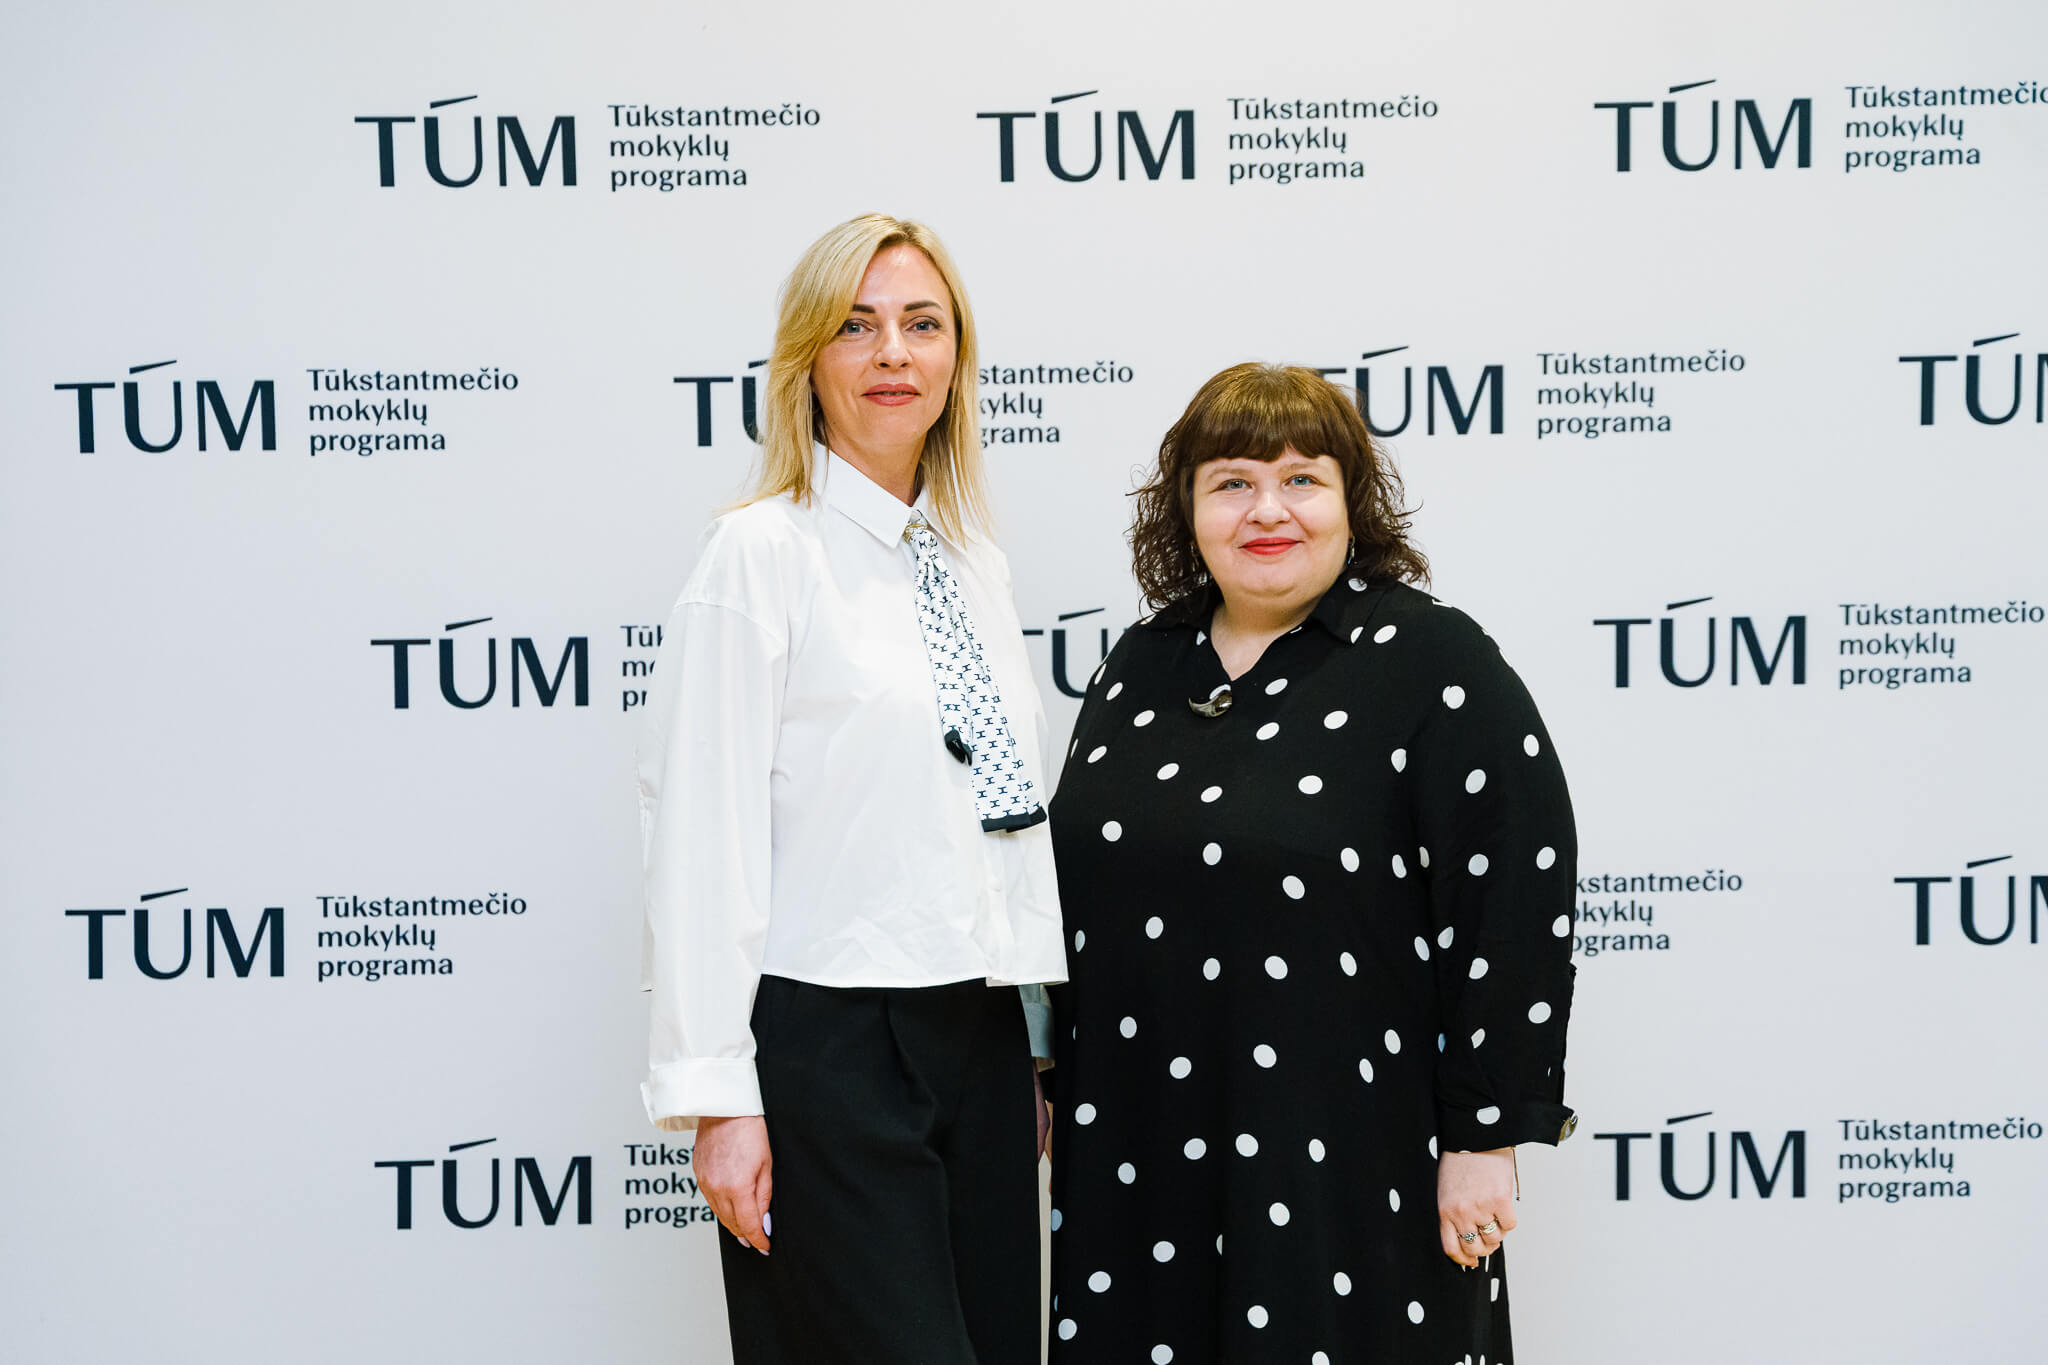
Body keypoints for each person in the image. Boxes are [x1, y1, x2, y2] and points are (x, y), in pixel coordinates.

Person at [1046, 362, 1577, 1363]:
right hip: (1134, 1151)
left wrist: (1484, 1137)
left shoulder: (1433, 663)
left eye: (1301, 479)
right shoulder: (1137, 665)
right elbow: (1068, 900)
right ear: (1186, 508)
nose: (1266, 510)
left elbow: (1514, 907)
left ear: (1350, 502)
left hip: (1350, 1158)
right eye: (1232, 482)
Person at [636, 213, 1065, 1365]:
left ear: (955, 359)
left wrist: (1030, 1042)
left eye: (922, 325)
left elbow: (999, 823)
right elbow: (701, 837)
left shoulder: (971, 563)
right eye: (855, 326)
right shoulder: (758, 555)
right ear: (806, 361)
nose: (891, 354)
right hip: (830, 1044)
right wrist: (721, 1100)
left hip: (979, 1035)